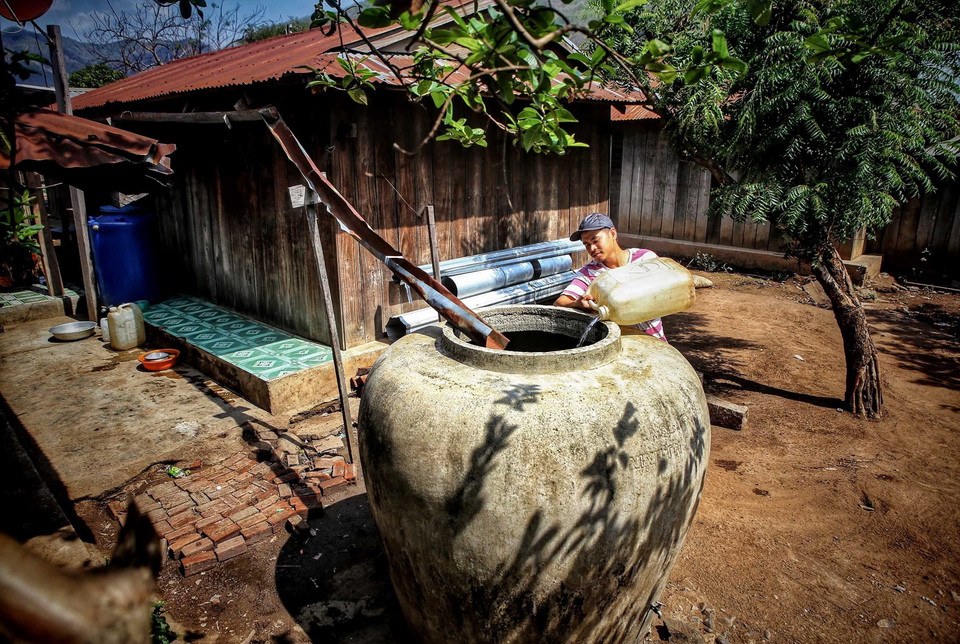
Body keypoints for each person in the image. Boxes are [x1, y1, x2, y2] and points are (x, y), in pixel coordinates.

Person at [553, 213, 667, 341]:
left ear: (613, 233)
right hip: (621, 345)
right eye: (586, 244)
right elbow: (559, 303)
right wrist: (578, 303)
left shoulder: (645, 259)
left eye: (595, 240)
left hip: (656, 341)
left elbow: (667, 289)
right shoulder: (589, 273)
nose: (592, 248)